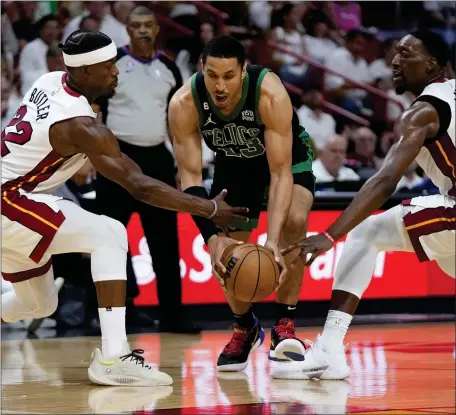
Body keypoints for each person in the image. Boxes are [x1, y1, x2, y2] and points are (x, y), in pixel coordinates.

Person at [1, 30, 247, 387]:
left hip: (17, 198)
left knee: (39, 306)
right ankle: (114, 357)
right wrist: (208, 208)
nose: (116, 73)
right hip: (11, 201)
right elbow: (139, 186)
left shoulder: (51, 80)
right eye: (108, 67)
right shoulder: (81, 125)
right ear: (85, 73)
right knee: (110, 233)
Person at [282, 30, 455, 380]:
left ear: (432, 64)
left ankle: (330, 348)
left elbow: (384, 180)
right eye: (394, 53)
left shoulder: (421, 112)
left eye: (406, 54)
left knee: (365, 233)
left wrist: (330, 236)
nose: (394, 61)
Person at [169, 36, 316, 378]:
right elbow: (190, 174)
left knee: (294, 221)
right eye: (213, 75)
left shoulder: (270, 94)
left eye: (229, 76)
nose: (220, 86)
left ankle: (285, 325)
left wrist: (272, 241)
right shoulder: (184, 103)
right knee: (228, 251)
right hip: (235, 165)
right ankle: (244, 328)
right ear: (201, 69)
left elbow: (279, 173)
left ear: (243, 71)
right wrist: (211, 238)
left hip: (286, 161)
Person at [94, 6, 198, 333]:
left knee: (166, 242)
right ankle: (122, 309)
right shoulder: (112, 66)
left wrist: (185, 165)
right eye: (136, 25)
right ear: (127, 30)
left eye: (147, 24)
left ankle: (172, 315)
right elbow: (94, 112)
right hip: (116, 157)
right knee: (110, 237)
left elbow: (178, 123)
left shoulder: (169, 68)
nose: (142, 30)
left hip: (157, 158)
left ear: (156, 29)